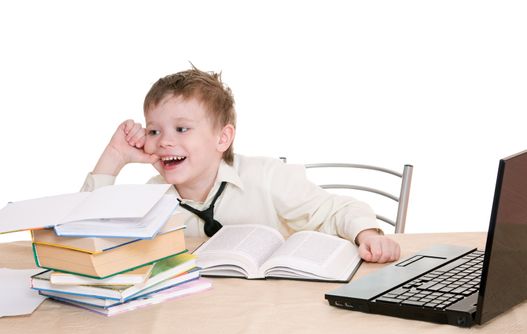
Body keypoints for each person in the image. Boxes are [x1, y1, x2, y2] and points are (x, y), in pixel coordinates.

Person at [81, 67, 400, 263]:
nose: (164, 141)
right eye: (154, 130)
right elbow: (82, 241)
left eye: (181, 129)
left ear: (222, 138)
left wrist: (367, 234)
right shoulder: (151, 198)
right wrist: (113, 158)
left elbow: (334, 210)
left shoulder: (267, 176)